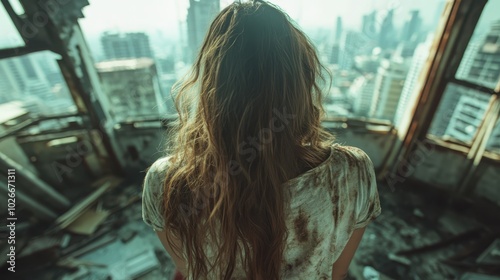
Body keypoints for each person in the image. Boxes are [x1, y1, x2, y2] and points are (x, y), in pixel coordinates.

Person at [141, 1, 381, 279]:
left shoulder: (164, 184)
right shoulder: (352, 173)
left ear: (208, 91)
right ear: (302, 84)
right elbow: (335, 273)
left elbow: (190, 268)